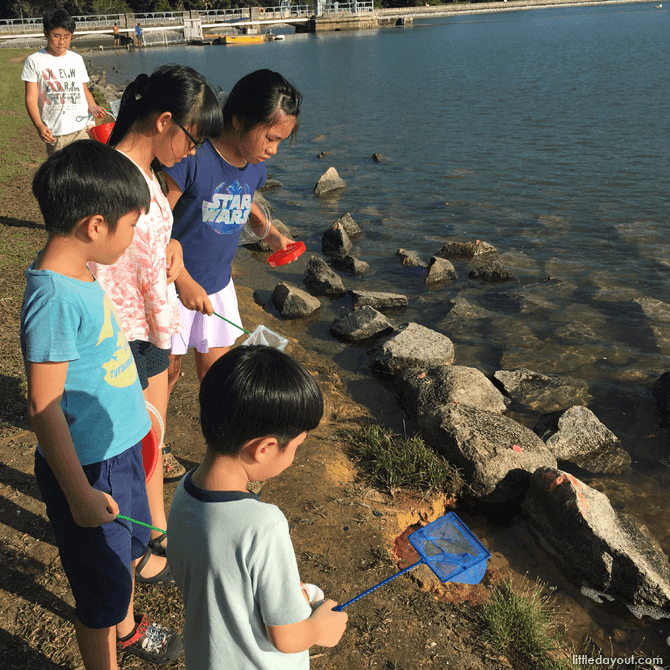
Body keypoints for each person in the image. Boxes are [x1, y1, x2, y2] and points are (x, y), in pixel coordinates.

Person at [21, 140, 183, 668]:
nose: (135, 236)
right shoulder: (53, 298)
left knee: (127, 560)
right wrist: (79, 494)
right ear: (95, 225)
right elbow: (44, 408)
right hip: (90, 470)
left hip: (120, 455)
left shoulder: (84, 270)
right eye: (132, 225)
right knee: (98, 589)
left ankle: (129, 627)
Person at [89, 64, 224, 580]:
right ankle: (129, 547)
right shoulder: (109, 177)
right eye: (193, 139)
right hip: (118, 337)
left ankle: (156, 535)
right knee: (125, 451)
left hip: (150, 329)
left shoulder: (146, 175)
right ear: (165, 120)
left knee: (151, 441)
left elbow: (152, 235)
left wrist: (172, 248)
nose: (194, 152)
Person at [167, 345, 348, 669]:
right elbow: (287, 636)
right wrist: (322, 626)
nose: (294, 457)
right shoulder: (264, 526)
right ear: (264, 448)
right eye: (296, 447)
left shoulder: (184, 492)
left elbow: (216, 580)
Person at [164, 69, 300, 393]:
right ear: (238, 121)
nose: (273, 150)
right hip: (171, 285)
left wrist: (272, 234)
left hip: (217, 285)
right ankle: (154, 443)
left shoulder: (254, 164)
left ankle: (221, 439)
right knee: (166, 373)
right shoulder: (193, 158)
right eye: (270, 138)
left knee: (216, 378)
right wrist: (182, 280)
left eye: (280, 141)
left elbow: (243, 197)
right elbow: (151, 223)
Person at [22, 8, 106, 156]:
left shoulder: (76, 59)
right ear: (46, 33)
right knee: (62, 174)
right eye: (56, 36)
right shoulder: (34, 61)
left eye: (67, 37)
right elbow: (31, 97)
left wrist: (92, 107)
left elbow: (83, 89)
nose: (62, 42)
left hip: (83, 127)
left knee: (88, 169)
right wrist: (39, 125)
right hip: (56, 132)